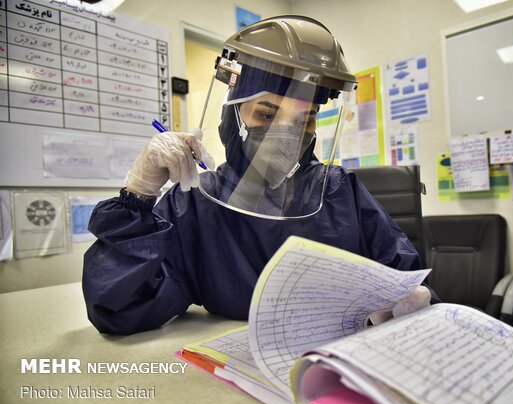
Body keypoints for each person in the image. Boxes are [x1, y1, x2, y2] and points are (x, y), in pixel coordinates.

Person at [82, 15, 438, 335]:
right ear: (232, 116)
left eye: (305, 120)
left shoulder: (341, 193)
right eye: (266, 114)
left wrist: (407, 303)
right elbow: (121, 308)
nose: (288, 134)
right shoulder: (194, 204)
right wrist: (138, 195)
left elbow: (407, 281)